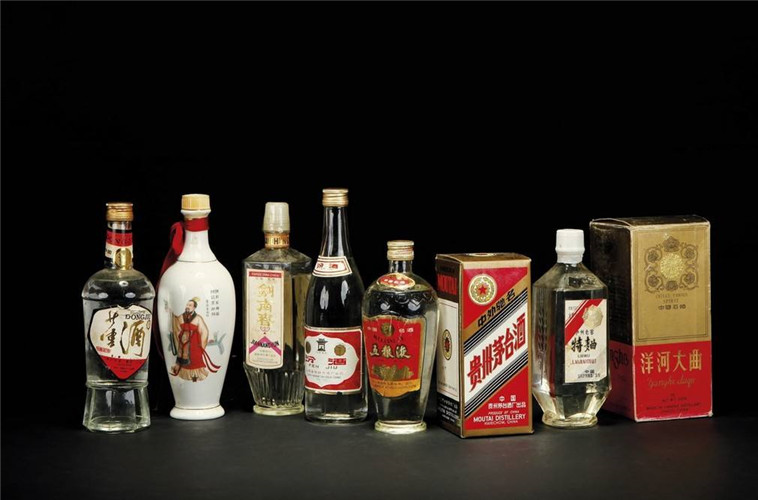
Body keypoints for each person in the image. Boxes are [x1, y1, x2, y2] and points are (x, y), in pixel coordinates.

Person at [170, 298, 220, 382]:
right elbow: (177, 329)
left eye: (190, 305)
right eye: (187, 305)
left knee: (195, 360)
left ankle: (195, 376)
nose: (187, 306)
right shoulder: (181, 317)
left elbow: (204, 332)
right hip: (183, 343)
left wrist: (201, 345)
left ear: (194, 307)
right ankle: (184, 375)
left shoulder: (198, 318)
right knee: (182, 358)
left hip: (194, 344)